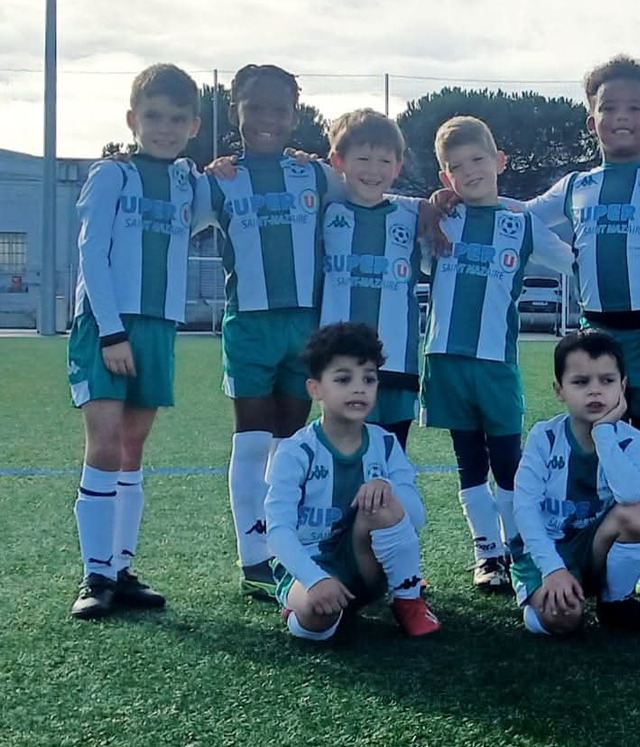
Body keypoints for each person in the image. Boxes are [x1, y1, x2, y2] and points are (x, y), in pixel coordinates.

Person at [520, 56, 640, 595]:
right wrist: (570, 260)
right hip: (597, 335)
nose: (622, 117)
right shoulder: (576, 185)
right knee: (595, 436)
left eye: (634, 108)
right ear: (591, 121)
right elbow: (522, 217)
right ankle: (593, 538)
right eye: (609, 108)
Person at [197, 63, 339, 598]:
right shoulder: (218, 180)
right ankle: (253, 557)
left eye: (279, 109)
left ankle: (285, 547)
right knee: (253, 440)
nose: (266, 118)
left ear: (295, 116)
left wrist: (438, 202)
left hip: (305, 328)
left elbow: (374, 189)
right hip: (250, 328)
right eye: (254, 107)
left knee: (290, 443)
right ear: (234, 110)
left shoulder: (315, 175)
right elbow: (173, 215)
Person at [67, 64, 202, 618]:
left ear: (193, 125)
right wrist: (112, 332)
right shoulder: (111, 175)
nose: (164, 128)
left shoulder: (189, 181)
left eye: (176, 118)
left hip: (158, 326)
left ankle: (121, 569)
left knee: (132, 447)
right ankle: (95, 575)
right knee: (103, 443)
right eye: (153, 116)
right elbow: (91, 253)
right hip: (108, 326)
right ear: (132, 119)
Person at [424, 115, 573, 592]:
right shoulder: (439, 217)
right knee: (469, 461)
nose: (469, 171)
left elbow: (573, 260)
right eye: (456, 166)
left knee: (509, 461)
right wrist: (430, 205)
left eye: (478, 159)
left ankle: (518, 548)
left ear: (499, 161)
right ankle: (486, 553)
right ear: (445, 176)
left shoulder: (521, 222)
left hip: (497, 364)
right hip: (446, 359)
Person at [265, 322, 440, 640]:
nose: (359, 389)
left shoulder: (385, 444)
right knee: (318, 616)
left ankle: (408, 600)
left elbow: (416, 517)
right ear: (315, 388)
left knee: (383, 503)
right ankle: (299, 606)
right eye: (343, 379)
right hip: (310, 565)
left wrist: (388, 488)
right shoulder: (296, 451)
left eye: (368, 379)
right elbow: (277, 531)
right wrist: (314, 579)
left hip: (365, 566)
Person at [510, 330, 640, 636]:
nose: (595, 391)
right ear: (559, 390)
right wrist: (552, 568)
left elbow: (630, 494)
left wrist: (603, 433)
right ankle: (537, 602)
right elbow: (524, 508)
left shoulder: (634, 441)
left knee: (639, 514)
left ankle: (615, 603)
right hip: (545, 550)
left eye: (607, 381)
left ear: (622, 386)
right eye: (581, 382)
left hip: (595, 547)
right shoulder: (544, 438)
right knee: (565, 619)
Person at [320, 108, 425, 446]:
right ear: (338, 161)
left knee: (391, 456)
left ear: (398, 166)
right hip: (339, 362)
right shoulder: (325, 211)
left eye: (384, 161)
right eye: (363, 159)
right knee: (345, 453)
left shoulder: (413, 216)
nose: (373, 170)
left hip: (397, 361)